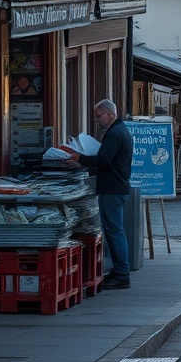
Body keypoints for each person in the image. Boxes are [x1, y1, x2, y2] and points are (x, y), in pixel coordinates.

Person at [67, 99, 134, 290]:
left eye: (99, 116)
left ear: (109, 113)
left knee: (114, 231)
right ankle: (119, 271)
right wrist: (83, 165)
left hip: (112, 189)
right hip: (114, 187)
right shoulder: (120, 131)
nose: (97, 120)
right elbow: (108, 162)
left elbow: (103, 159)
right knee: (114, 231)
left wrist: (80, 157)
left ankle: (122, 274)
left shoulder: (114, 133)